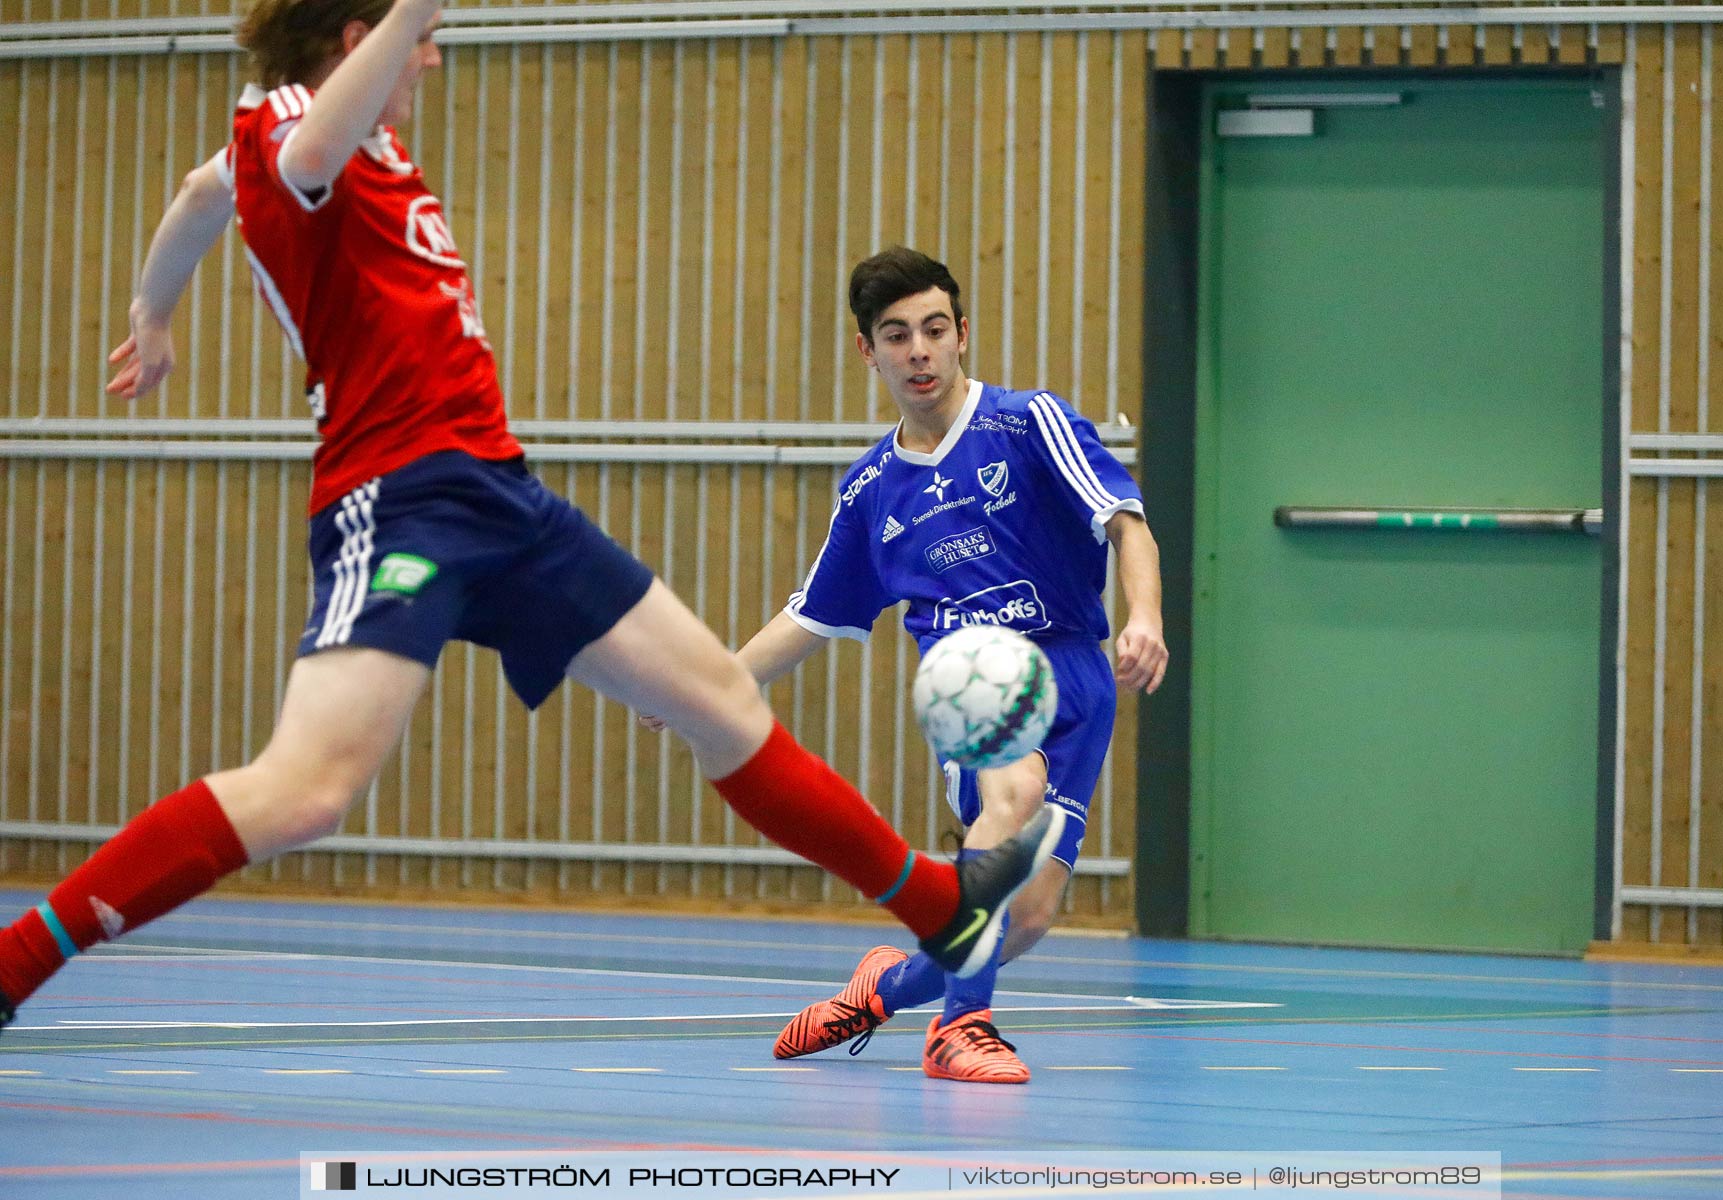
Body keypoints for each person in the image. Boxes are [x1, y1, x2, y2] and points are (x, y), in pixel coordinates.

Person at [0, 1, 1064, 1032]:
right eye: (424, 44)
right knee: (306, 792)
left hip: (503, 496)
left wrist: (154, 310)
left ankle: (940, 907)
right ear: (359, 42)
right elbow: (292, 160)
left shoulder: (337, 146)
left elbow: (196, 198)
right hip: (401, 496)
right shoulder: (293, 125)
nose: (434, 63)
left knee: (723, 707)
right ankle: (15, 962)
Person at [690, 247, 1165, 1083]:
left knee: (1028, 919)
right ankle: (960, 1029)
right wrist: (704, 689)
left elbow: (1127, 522)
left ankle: (884, 989)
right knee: (1008, 795)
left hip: (1078, 680)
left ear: (961, 336)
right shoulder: (872, 490)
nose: (919, 350)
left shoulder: (1027, 423)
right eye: (897, 335)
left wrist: (1145, 617)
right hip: (974, 679)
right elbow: (810, 615)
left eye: (934, 330)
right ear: (867, 351)